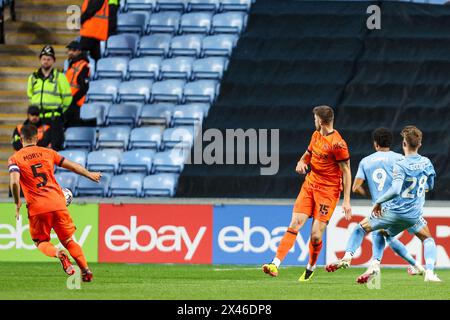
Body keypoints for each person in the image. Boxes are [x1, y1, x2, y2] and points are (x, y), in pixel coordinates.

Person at [326, 126, 441, 282]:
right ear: (419, 144)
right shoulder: (414, 160)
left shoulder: (369, 161)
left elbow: (357, 187)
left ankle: (349, 257)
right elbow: (430, 185)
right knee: (420, 238)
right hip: (413, 212)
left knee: (362, 229)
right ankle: (427, 271)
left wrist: (376, 200)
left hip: (390, 209)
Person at [262, 105, 352, 281]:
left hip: (328, 191)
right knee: (295, 223)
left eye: (315, 119)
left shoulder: (338, 144)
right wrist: (301, 163)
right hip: (310, 185)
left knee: (316, 235)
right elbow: (306, 155)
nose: (314, 122)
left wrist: (346, 200)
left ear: (320, 120)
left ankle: (310, 267)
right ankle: (275, 263)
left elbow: (346, 170)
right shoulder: (316, 135)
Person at [8, 124, 102, 282]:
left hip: (38, 208)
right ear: (37, 137)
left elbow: (15, 182)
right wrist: (89, 174)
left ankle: (59, 253)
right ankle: (86, 270)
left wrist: (17, 202)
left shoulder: (15, 158)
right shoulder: (48, 152)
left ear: (21, 139)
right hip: (58, 203)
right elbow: (72, 166)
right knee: (68, 240)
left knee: (41, 241)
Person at [27, 45, 72, 151]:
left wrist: (59, 111)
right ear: (40, 60)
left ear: (53, 61)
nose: (46, 61)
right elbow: (30, 96)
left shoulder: (60, 77)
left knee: (56, 147)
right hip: (37, 119)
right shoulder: (33, 78)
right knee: (35, 148)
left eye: (48, 59)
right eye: (44, 59)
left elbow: (67, 98)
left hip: (54, 118)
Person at [64, 41, 91, 128]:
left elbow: (84, 88)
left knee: (72, 127)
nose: (70, 52)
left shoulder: (83, 65)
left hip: (74, 103)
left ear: (79, 51)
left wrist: (72, 100)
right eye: (69, 50)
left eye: (73, 50)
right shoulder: (72, 63)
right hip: (68, 101)